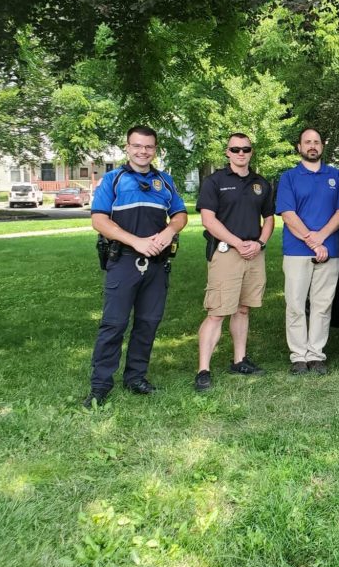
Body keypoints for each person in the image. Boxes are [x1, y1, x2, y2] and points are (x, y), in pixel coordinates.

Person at [83, 126, 187, 407]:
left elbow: (179, 214)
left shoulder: (164, 181)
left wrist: (168, 233)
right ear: (127, 147)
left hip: (157, 265)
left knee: (147, 324)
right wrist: (136, 242)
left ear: (155, 150)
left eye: (149, 147)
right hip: (124, 261)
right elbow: (99, 221)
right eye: (137, 146)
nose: (143, 151)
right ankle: (101, 385)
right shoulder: (113, 180)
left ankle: (136, 377)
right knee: (113, 325)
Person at [193, 133, 274, 391]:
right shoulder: (214, 181)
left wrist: (259, 243)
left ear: (251, 152)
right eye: (235, 149)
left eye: (246, 149)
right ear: (227, 152)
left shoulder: (261, 183)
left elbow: (269, 218)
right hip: (227, 252)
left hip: (254, 253)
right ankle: (203, 369)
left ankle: (239, 360)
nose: (241, 153)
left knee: (243, 309)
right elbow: (209, 219)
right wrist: (239, 243)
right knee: (217, 312)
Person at [276, 127, 339, 375]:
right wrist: (312, 241)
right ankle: (298, 356)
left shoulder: (336, 176)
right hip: (297, 250)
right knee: (295, 304)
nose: (312, 146)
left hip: (329, 250)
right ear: (299, 147)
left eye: (316, 142)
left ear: (322, 146)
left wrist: (321, 239)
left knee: (322, 305)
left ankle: (316, 354)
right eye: (307, 142)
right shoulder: (288, 177)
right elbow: (288, 214)